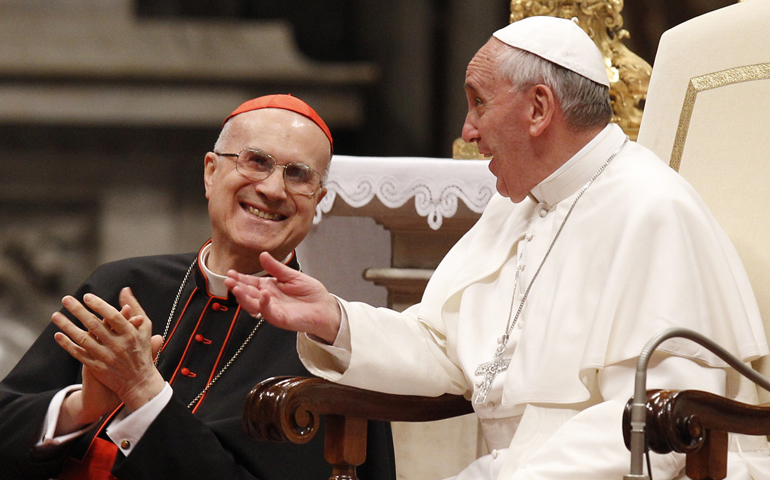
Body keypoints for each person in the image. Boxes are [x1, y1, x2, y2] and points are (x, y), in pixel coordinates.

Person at [225, 17, 770, 480]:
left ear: (538, 109)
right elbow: (446, 349)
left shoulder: (651, 210)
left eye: (478, 104)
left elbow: (659, 428)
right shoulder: (521, 204)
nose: (468, 131)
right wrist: (334, 320)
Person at [0, 95, 395, 480]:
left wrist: (142, 392)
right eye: (256, 161)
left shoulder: (327, 344)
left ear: (318, 200)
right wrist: (81, 407)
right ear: (210, 172)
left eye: (298, 175)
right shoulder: (121, 284)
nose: (274, 190)